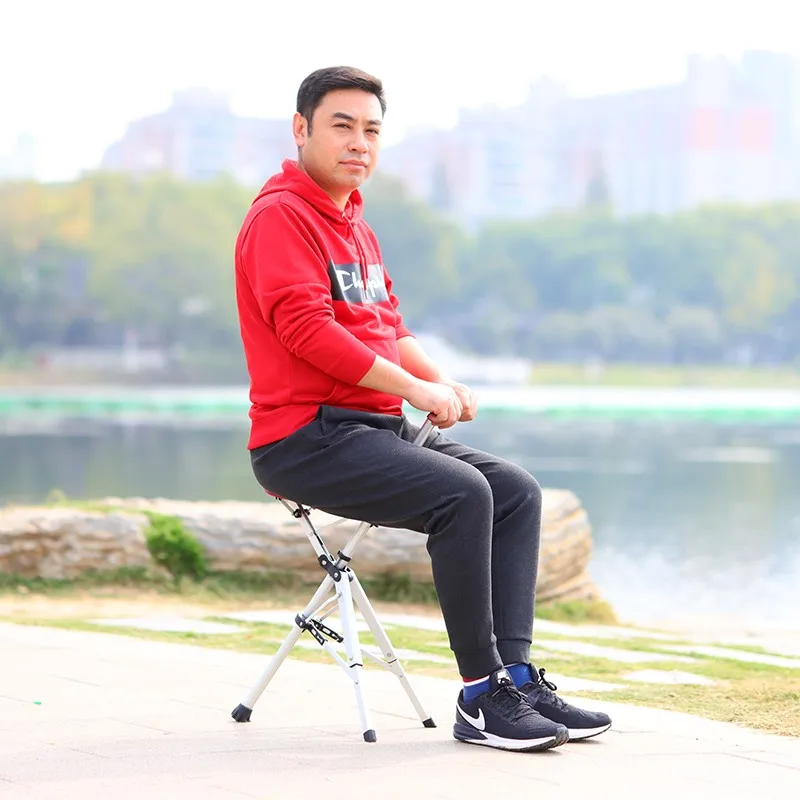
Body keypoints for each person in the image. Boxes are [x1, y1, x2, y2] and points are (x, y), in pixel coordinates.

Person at [234, 65, 611, 752]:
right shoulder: (280, 217)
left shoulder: (355, 223)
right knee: (463, 494)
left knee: (516, 492)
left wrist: (441, 382)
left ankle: (517, 680)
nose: (359, 142)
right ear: (301, 129)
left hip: (374, 428)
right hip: (305, 438)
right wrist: (414, 391)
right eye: (342, 126)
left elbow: (390, 326)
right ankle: (480, 697)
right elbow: (308, 332)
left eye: (371, 130)